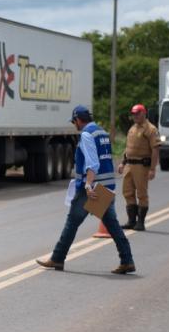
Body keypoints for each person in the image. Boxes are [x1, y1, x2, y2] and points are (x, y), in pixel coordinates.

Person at [36, 105, 135, 274]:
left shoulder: (87, 134)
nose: (74, 125)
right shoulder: (102, 132)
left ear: (78, 120)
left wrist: (88, 185)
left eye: (74, 121)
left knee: (72, 222)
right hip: (106, 186)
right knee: (112, 224)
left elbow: (93, 162)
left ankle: (58, 258)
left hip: (92, 188)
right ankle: (127, 260)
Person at [118, 103, 160, 231]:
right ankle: (131, 221)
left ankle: (140, 222)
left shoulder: (151, 129)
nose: (135, 116)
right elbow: (128, 148)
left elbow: (155, 150)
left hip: (142, 165)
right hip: (129, 165)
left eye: (137, 113)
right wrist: (122, 162)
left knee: (141, 194)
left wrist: (152, 169)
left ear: (144, 113)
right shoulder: (132, 128)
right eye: (133, 114)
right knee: (127, 192)